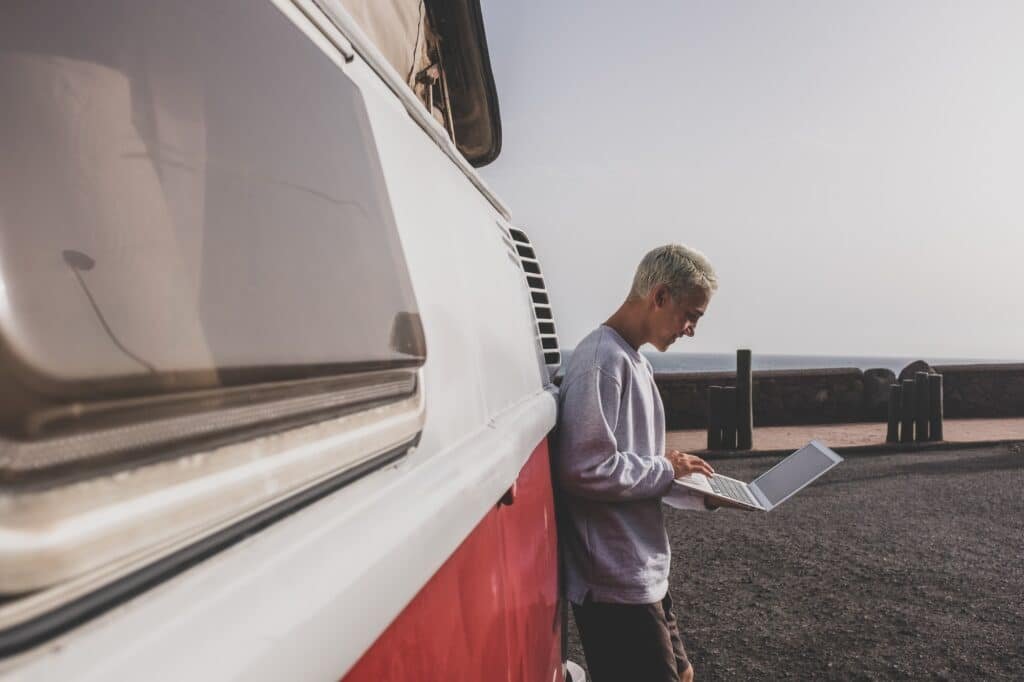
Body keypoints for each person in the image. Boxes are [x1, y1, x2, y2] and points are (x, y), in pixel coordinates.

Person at [555, 243, 728, 682]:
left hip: (644, 574)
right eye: (692, 315)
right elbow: (584, 470)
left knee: (684, 676)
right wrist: (667, 468)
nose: (690, 329)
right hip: (614, 584)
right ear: (660, 296)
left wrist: (701, 494)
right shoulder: (601, 362)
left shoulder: (635, 362)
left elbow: (641, 470)